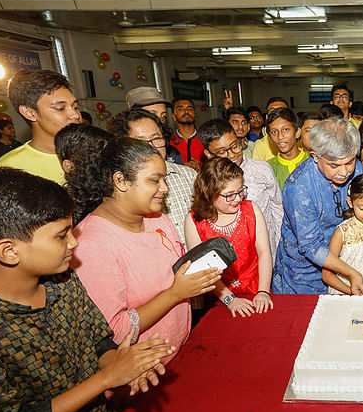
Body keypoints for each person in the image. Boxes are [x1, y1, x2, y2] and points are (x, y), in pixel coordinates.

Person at [0, 167, 175, 412]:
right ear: (9, 251)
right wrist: (106, 379)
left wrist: (120, 363)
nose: (74, 241)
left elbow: (98, 338)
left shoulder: (62, 284)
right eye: (61, 235)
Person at [71, 137, 220, 364]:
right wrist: (176, 294)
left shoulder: (157, 219)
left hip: (179, 355)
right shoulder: (92, 244)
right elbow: (114, 333)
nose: (165, 188)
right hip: (140, 375)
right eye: (154, 180)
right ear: (121, 181)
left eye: (164, 179)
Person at [273, 118, 363, 294]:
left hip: (347, 263)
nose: (344, 172)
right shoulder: (298, 188)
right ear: (315, 156)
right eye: (334, 165)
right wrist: (350, 273)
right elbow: (311, 247)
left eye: (349, 162)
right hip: (304, 275)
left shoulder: (356, 168)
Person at [185, 158, 273, 318]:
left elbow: (264, 252)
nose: (238, 198)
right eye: (230, 195)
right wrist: (229, 299)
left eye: (241, 191)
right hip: (218, 295)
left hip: (257, 289)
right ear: (209, 194)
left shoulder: (251, 210)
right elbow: (203, 270)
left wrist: (263, 291)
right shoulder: (194, 221)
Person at [107, 108, 198, 247]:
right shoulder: (121, 188)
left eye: (156, 139)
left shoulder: (189, 176)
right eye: (140, 142)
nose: (152, 147)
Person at [198, 119, 283, 259]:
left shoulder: (262, 169)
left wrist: (280, 245)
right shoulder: (207, 181)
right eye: (222, 152)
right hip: (232, 257)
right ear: (208, 154)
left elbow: (277, 207)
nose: (231, 155)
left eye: (235, 146)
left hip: (267, 252)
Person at [0, 69, 81, 184]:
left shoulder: (97, 152)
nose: (75, 115)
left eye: (75, 107)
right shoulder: (7, 172)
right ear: (29, 113)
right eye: (60, 108)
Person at [322, 174, 363, 296]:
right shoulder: (342, 232)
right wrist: (351, 292)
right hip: (344, 296)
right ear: (350, 202)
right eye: (362, 208)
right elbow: (327, 275)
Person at [125, 86, 182, 163]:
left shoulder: (173, 154)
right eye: (152, 115)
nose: (160, 121)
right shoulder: (121, 156)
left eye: (163, 116)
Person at [265, 107, 309, 189]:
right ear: (270, 137)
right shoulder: (268, 168)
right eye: (274, 132)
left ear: (297, 133)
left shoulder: (313, 161)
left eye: (285, 130)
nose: (280, 136)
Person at [250, 97, 290, 161]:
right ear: (267, 117)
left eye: (282, 112)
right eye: (273, 112)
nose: (277, 115)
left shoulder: (299, 141)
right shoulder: (260, 145)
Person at [169, 97, 205, 165]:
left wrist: (202, 168)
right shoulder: (168, 141)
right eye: (180, 109)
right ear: (173, 116)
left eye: (190, 108)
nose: (186, 111)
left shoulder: (206, 139)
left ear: (195, 115)